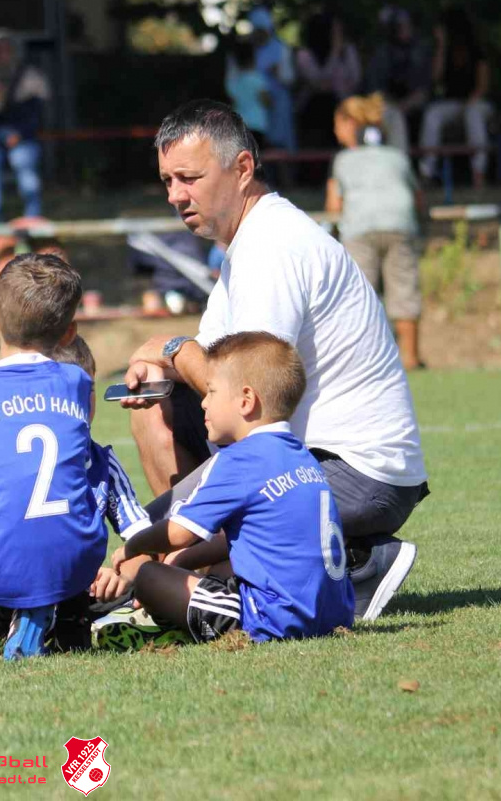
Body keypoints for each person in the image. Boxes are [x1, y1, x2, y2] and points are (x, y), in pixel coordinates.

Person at [120, 101, 428, 622]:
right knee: (157, 407)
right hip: (311, 459)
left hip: (355, 473)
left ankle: (352, 566)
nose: (175, 195)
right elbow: (216, 372)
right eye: (168, 180)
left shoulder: (273, 246)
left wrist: (169, 348)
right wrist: (162, 366)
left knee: (149, 548)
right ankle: (247, 564)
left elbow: (247, 391)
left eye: (190, 178)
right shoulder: (248, 244)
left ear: (242, 168)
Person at [96, 332, 354, 647]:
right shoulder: (301, 456)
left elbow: (178, 534)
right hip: (335, 613)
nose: (203, 401)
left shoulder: (239, 460)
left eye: (212, 391)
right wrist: (179, 562)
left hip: (274, 619)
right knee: (215, 565)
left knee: (150, 576)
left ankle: (162, 624)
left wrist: (133, 549)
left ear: (246, 400)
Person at [0, 253, 100, 659]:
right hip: (79, 559)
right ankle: (66, 614)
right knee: (49, 547)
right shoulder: (77, 383)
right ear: (69, 333)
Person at [48, 337, 151, 608]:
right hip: (11, 585)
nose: (81, 400)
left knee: (153, 580)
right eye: (67, 391)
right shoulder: (12, 459)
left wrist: (123, 574)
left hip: (77, 593)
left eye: (89, 389)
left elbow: (145, 539)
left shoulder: (102, 465)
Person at [329, 94, 426, 370]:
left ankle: (366, 362)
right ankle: (410, 358)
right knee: (404, 290)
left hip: (360, 227)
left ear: (350, 123)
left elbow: (334, 206)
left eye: (337, 124)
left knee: (361, 295)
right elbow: (418, 198)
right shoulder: (397, 157)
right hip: (400, 223)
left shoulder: (343, 160)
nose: (335, 131)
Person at [0, 29, 50, 222]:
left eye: (8, 49)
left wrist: (20, 134)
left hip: (23, 136)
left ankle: (32, 220)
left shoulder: (31, 76)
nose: (3, 55)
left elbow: (38, 114)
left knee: (24, 167)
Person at [418, 8, 491, 189]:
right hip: (452, 103)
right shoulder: (442, 50)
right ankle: (427, 171)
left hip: (477, 102)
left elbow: (483, 86)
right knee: (432, 114)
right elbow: (435, 78)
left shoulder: (477, 49)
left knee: (473, 114)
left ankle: (478, 172)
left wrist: (469, 103)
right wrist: (442, 46)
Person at [295, 13, 362, 155]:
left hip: (343, 110)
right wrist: (334, 53)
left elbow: (355, 80)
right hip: (314, 113)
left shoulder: (348, 51)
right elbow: (319, 83)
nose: (338, 35)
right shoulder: (305, 55)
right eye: (334, 31)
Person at [365, 6, 431, 150]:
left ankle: (425, 163)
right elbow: (375, 91)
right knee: (392, 117)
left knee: (426, 117)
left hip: (414, 108)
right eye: (400, 26)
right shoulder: (382, 53)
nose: (404, 30)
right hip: (388, 108)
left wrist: (404, 105)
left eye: (407, 26)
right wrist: (394, 106)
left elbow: (423, 91)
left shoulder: (420, 51)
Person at [247, 7, 296, 154]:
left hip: (279, 104)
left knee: (280, 146)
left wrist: (277, 72)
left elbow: (290, 78)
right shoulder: (248, 51)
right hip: (256, 106)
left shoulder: (281, 48)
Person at [225, 37, 270, 150]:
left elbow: (232, 99)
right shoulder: (257, 79)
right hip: (257, 124)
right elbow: (266, 101)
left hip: (239, 124)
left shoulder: (233, 82)